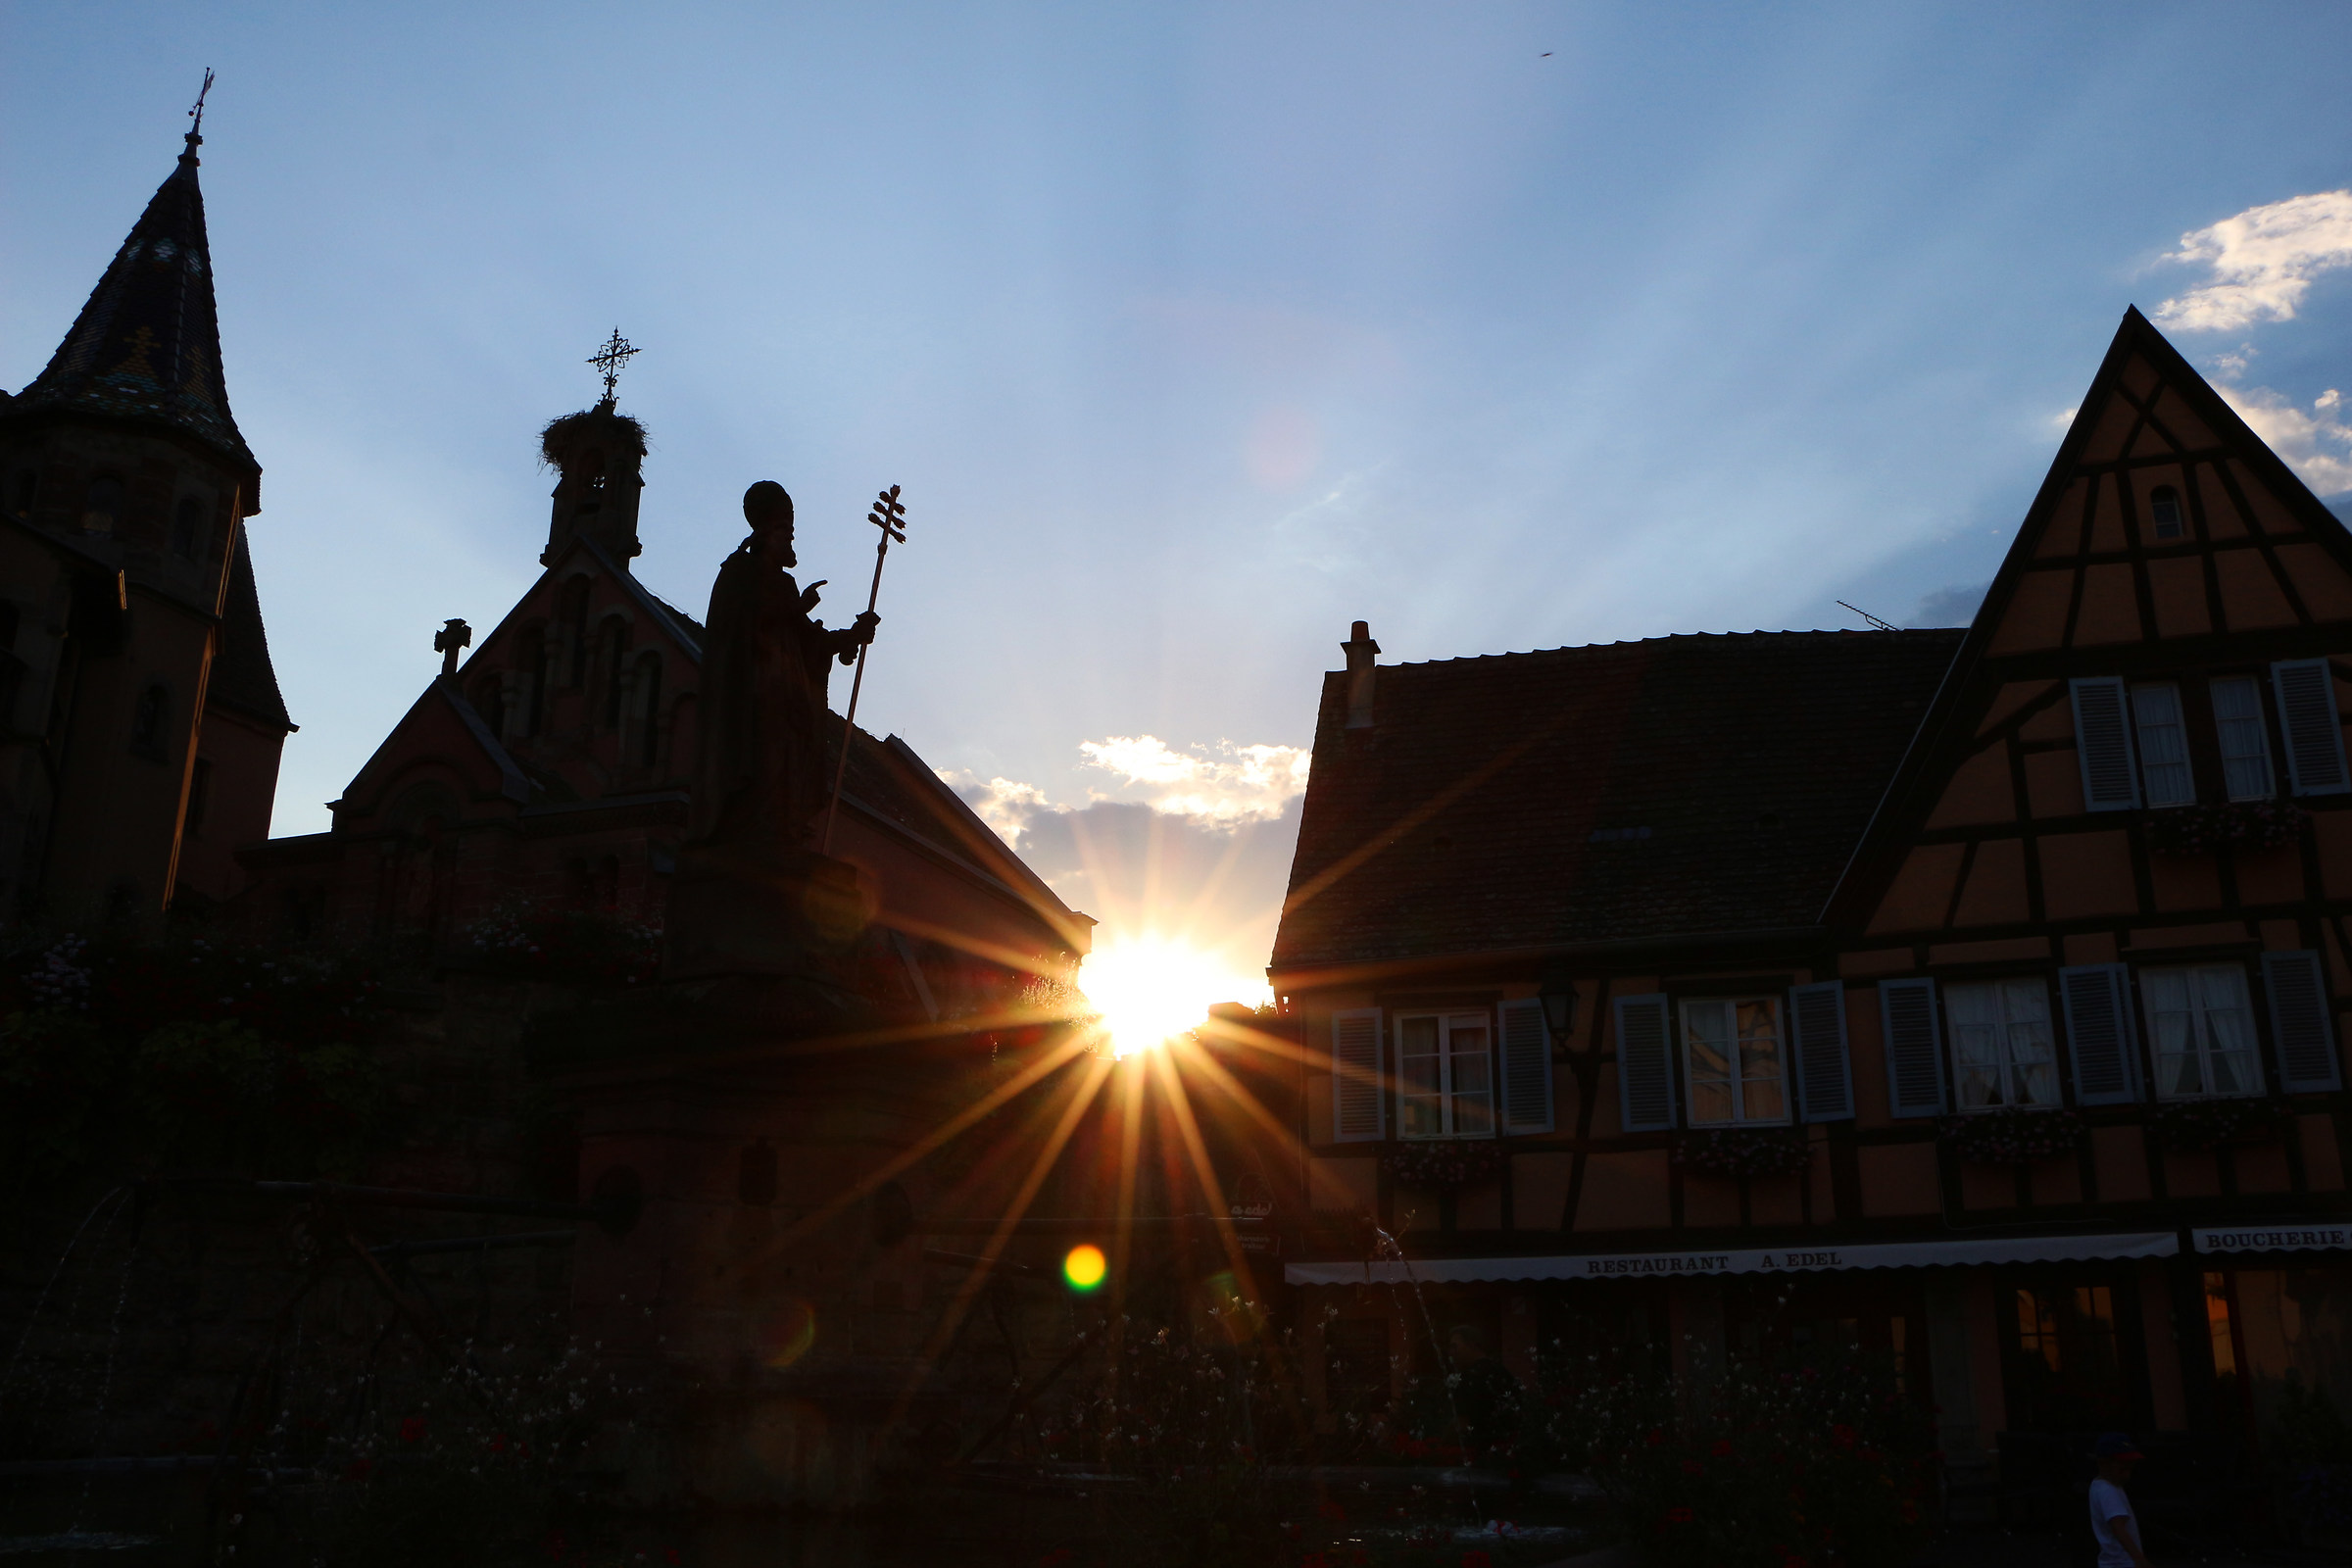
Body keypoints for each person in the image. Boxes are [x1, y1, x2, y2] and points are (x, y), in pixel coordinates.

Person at [2087, 1432, 2150, 1568]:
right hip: (2122, 1562)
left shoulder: (2099, 1486)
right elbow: (2118, 1527)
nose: (2127, 1475)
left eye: (2130, 1469)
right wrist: (2139, 1559)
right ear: (2103, 1463)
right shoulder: (2108, 1491)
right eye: (2122, 1469)